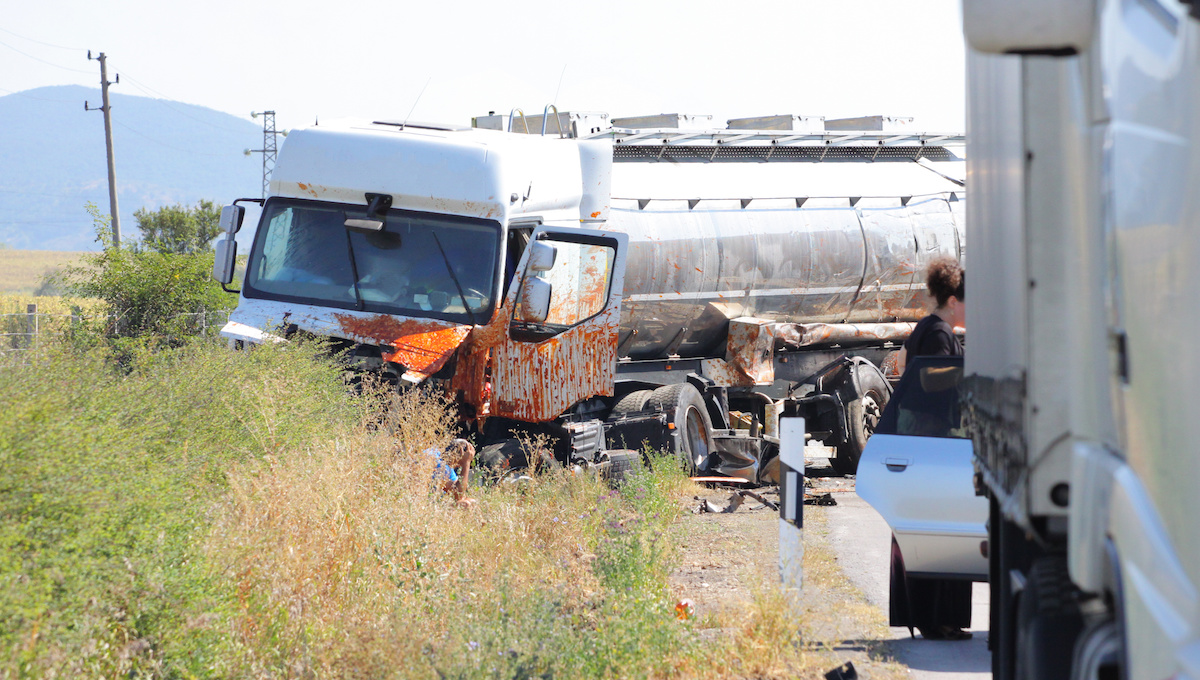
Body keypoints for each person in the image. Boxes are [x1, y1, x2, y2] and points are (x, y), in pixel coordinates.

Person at [890, 256, 973, 641]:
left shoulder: (925, 327)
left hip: (921, 444)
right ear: (954, 300)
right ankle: (936, 619)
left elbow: (902, 364)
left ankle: (931, 617)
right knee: (944, 529)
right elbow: (933, 383)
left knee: (926, 528)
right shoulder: (940, 333)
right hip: (935, 444)